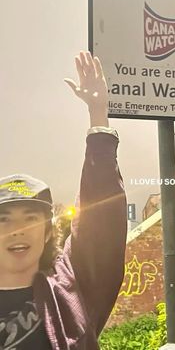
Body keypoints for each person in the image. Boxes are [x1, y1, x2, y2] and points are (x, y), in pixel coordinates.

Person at [0, 51, 127, 349]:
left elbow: (100, 226)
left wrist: (98, 115)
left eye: (30, 218)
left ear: (47, 233)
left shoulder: (71, 290)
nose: (17, 229)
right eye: (4, 219)